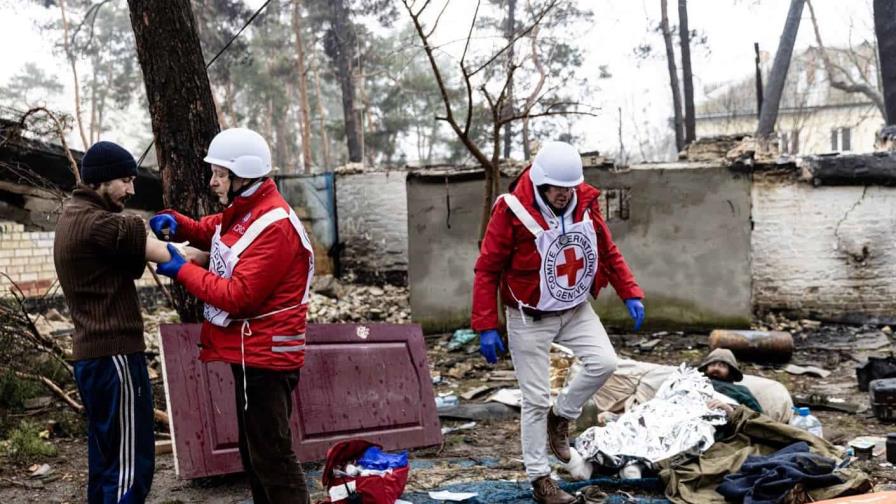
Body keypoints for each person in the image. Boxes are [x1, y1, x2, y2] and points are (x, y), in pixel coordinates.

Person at [471, 141, 645, 504]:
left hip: (575, 307)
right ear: (540, 182)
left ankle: (561, 416)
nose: (565, 196)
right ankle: (541, 479)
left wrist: (629, 290)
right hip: (529, 316)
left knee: (605, 362)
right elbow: (487, 269)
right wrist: (486, 324)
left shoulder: (584, 201)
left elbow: (606, 248)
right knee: (534, 399)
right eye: (558, 189)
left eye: (570, 189)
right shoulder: (512, 211)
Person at [151, 128, 314, 504]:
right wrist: (181, 224)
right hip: (252, 350)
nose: (212, 182)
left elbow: (237, 297)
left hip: (269, 355)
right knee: (254, 452)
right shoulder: (247, 210)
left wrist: (183, 270)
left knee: (271, 455)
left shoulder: (274, 225)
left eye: (219, 174)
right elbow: (218, 230)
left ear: (244, 175)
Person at [54, 141, 187, 503]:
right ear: (100, 180)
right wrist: (225, 249)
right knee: (131, 467)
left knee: (107, 462)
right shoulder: (100, 223)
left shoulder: (74, 214)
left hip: (92, 358)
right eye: (125, 180)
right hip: (115, 356)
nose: (131, 189)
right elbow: (174, 256)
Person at [698, 348, 763, 413]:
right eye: (712, 365)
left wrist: (731, 411)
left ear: (731, 371)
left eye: (722, 366)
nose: (716, 368)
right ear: (706, 368)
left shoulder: (740, 391)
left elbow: (758, 417)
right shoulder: (696, 383)